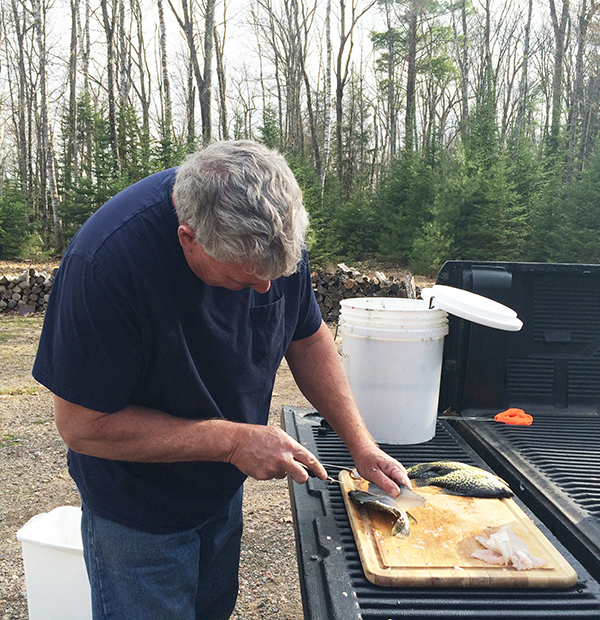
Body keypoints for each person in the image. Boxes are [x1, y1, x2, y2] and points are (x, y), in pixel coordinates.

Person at [33, 139, 411, 620]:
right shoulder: (107, 261)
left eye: (277, 274)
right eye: (244, 280)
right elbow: (82, 426)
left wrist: (361, 444)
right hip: (138, 511)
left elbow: (308, 337)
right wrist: (232, 441)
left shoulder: (273, 237)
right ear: (188, 238)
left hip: (220, 493)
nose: (264, 289)